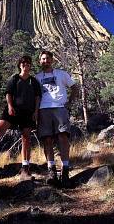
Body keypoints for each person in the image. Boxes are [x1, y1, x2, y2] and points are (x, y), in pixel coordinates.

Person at [35, 50, 78, 188]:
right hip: (44, 110)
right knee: (47, 140)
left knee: (63, 137)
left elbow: (74, 88)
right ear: (40, 61)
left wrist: (70, 101)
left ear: (52, 60)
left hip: (60, 108)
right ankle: (52, 171)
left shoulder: (61, 74)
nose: (45, 61)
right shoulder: (37, 78)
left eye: (48, 58)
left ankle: (65, 171)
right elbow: (35, 96)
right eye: (43, 59)